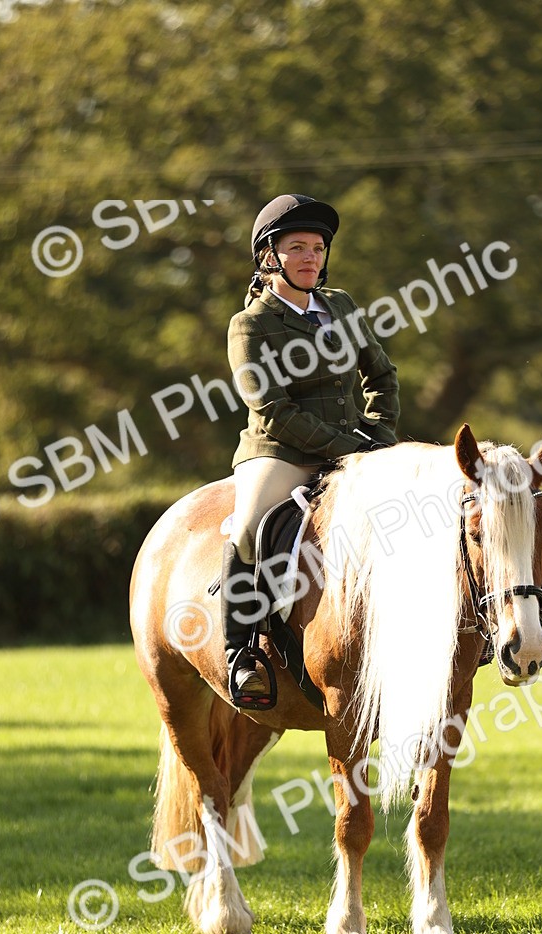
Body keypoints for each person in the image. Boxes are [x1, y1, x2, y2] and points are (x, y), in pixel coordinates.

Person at [222, 193, 400, 707]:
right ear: (269, 256)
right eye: (296, 247)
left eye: (317, 248)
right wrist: (351, 449)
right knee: (249, 528)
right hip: (278, 452)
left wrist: (381, 436)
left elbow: (382, 375)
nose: (310, 258)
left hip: (359, 450)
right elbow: (273, 408)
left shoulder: (341, 305)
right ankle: (243, 655)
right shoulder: (251, 324)